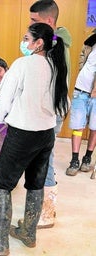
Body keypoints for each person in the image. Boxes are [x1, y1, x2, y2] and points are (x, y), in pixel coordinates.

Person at [0, 23, 68, 255]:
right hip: (46, 134)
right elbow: (64, 103)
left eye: (26, 38)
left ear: (38, 43)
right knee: (35, 182)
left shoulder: (22, 64)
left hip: (22, 132)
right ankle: (29, 233)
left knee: (2, 183)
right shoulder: (56, 65)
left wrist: (3, 118)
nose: (23, 42)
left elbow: (4, 98)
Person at [27, 0, 72, 229]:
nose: (30, 25)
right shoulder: (57, 42)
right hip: (51, 110)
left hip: (51, 112)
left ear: (49, 21)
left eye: (34, 21)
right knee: (44, 158)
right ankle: (45, 212)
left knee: (45, 159)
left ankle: (47, 214)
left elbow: (51, 84)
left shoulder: (56, 45)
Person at [65, 32, 96, 176]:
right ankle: (74, 159)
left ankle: (87, 157)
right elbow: (82, 61)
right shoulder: (90, 42)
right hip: (81, 90)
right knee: (77, 126)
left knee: (94, 128)